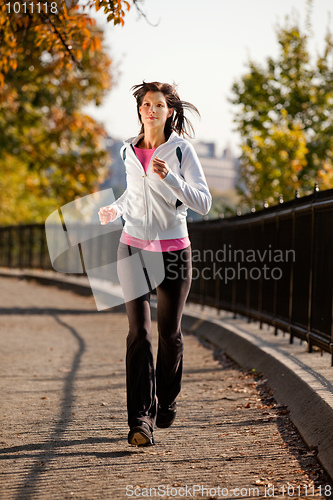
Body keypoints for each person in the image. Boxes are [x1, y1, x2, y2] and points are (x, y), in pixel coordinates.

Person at [98, 81, 212, 446]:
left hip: (174, 251)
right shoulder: (127, 151)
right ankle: (140, 420)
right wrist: (115, 209)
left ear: (169, 111)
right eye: (146, 104)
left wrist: (172, 178)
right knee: (139, 334)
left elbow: (203, 202)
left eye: (158, 105)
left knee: (170, 334)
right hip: (133, 248)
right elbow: (135, 193)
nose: (151, 110)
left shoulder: (181, 151)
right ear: (140, 110)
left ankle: (167, 401)